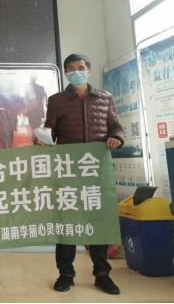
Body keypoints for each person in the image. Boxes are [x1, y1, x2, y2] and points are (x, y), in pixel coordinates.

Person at [35, 54, 124, 296]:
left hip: (97, 169)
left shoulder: (105, 98)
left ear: (89, 70)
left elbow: (116, 127)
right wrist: (42, 139)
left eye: (81, 67)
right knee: (67, 221)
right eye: (71, 69)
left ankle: (102, 275)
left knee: (98, 221)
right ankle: (66, 274)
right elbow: (51, 130)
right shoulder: (56, 100)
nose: (77, 72)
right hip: (68, 169)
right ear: (66, 73)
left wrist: (116, 138)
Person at [23, 73, 47, 140]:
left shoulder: (26, 87)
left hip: (31, 110)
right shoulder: (41, 87)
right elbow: (43, 98)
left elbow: (24, 99)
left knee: (33, 125)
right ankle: (36, 137)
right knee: (37, 125)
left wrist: (25, 109)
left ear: (30, 78)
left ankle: (34, 138)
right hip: (38, 110)